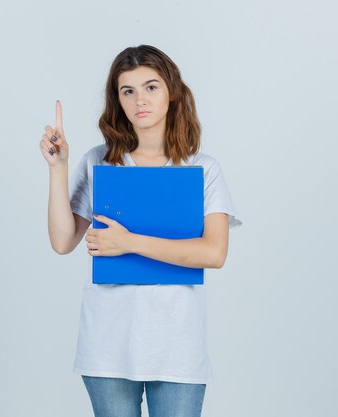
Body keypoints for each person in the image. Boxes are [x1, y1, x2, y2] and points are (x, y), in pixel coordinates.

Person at [38, 45, 243, 417]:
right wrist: (58, 168)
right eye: (127, 91)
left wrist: (128, 242)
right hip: (108, 343)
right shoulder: (99, 162)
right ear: (117, 101)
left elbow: (213, 253)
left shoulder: (202, 169)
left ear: (172, 93)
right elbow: (63, 241)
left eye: (151, 87)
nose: (139, 100)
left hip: (177, 346)